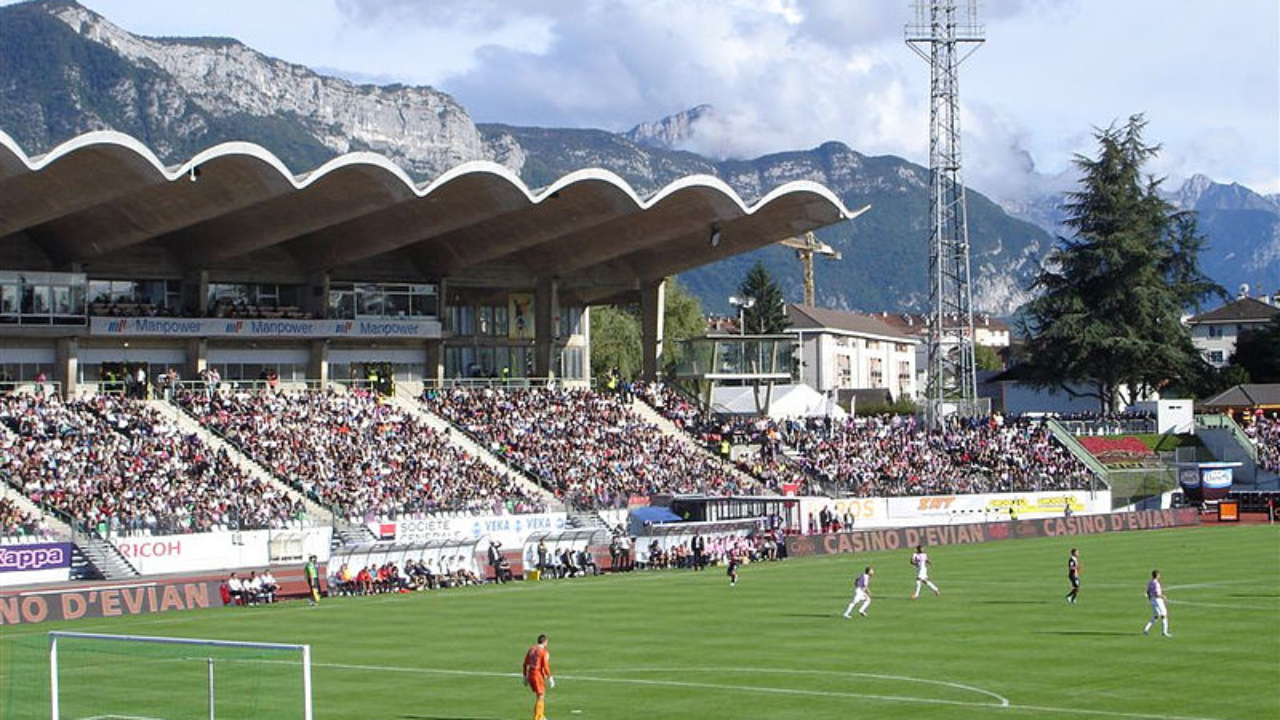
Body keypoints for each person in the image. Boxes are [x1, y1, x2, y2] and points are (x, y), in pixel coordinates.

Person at [522, 634, 554, 720]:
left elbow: (525, 664)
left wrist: (525, 676)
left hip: (531, 674)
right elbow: (545, 666)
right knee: (541, 695)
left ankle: (541, 715)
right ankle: (538, 717)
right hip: (537, 675)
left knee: (539, 695)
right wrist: (550, 677)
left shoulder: (531, 649)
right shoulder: (543, 652)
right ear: (545, 642)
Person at [1142, 569, 1171, 637]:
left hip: (1152, 600)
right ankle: (1165, 632)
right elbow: (1158, 594)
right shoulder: (1156, 583)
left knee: (1156, 615)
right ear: (1157, 575)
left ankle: (1146, 629)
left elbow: (1148, 592)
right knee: (1164, 615)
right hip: (1158, 600)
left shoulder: (1150, 582)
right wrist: (1163, 597)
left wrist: (1150, 598)